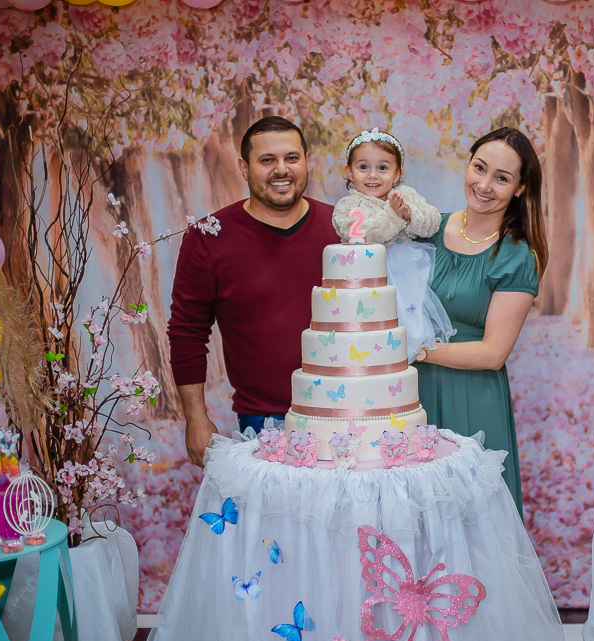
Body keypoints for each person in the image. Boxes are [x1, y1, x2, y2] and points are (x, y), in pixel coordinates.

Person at [167, 116, 339, 466]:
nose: (282, 170)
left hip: (349, 412)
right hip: (264, 422)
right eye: (267, 160)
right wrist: (195, 418)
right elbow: (187, 332)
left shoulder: (342, 229)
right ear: (244, 168)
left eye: (292, 158)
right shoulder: (208, 238)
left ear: (307, 161)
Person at [415, 127, 547, 515]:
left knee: (470, 518)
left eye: (502, 178)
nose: (484, 185)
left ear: (519, 189)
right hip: (411, 395)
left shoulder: (517, 256)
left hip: (470, 397)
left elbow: (493, 353)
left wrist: (412, 350)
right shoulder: (425, 232)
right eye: (479, 168)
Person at [331, 127, 454, 362]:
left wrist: (409, 214)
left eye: (383, 168)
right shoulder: (348, 205)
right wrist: (394, 216)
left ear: (397, 174)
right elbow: (360, 233)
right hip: (366, 274)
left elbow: (433, 222)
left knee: (406, 316)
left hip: (406, 270)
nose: (373, 175)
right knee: (368, 318)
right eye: (363, 167)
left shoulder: (404, 194)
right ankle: (370, 353)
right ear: (349, 172)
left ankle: (408, 348)